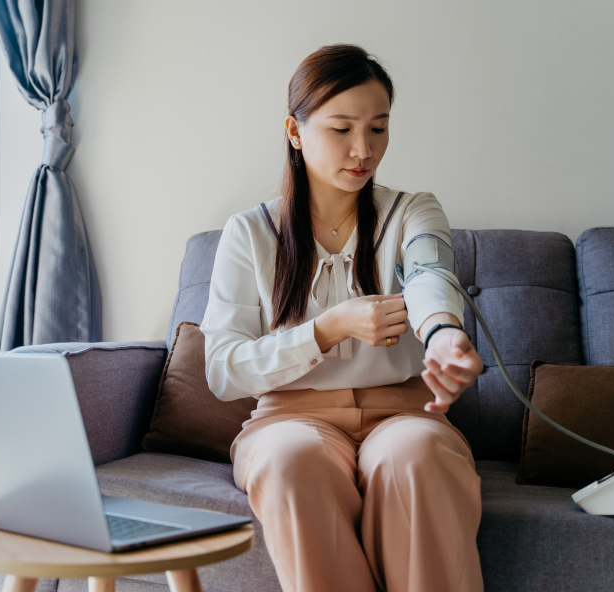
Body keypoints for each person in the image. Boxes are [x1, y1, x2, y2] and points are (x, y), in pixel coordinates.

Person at [200, 44, 484, 592]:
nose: (363, 149)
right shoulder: (250, 232)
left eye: (378, 129)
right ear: (294, 130)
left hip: (404, 414)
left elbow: (429, 274)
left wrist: (444, 332)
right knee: (291, 460)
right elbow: (222, 368)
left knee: (415, 454)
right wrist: (329, 330)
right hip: (288, 419)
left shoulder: (412, 210)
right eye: (341, 129)